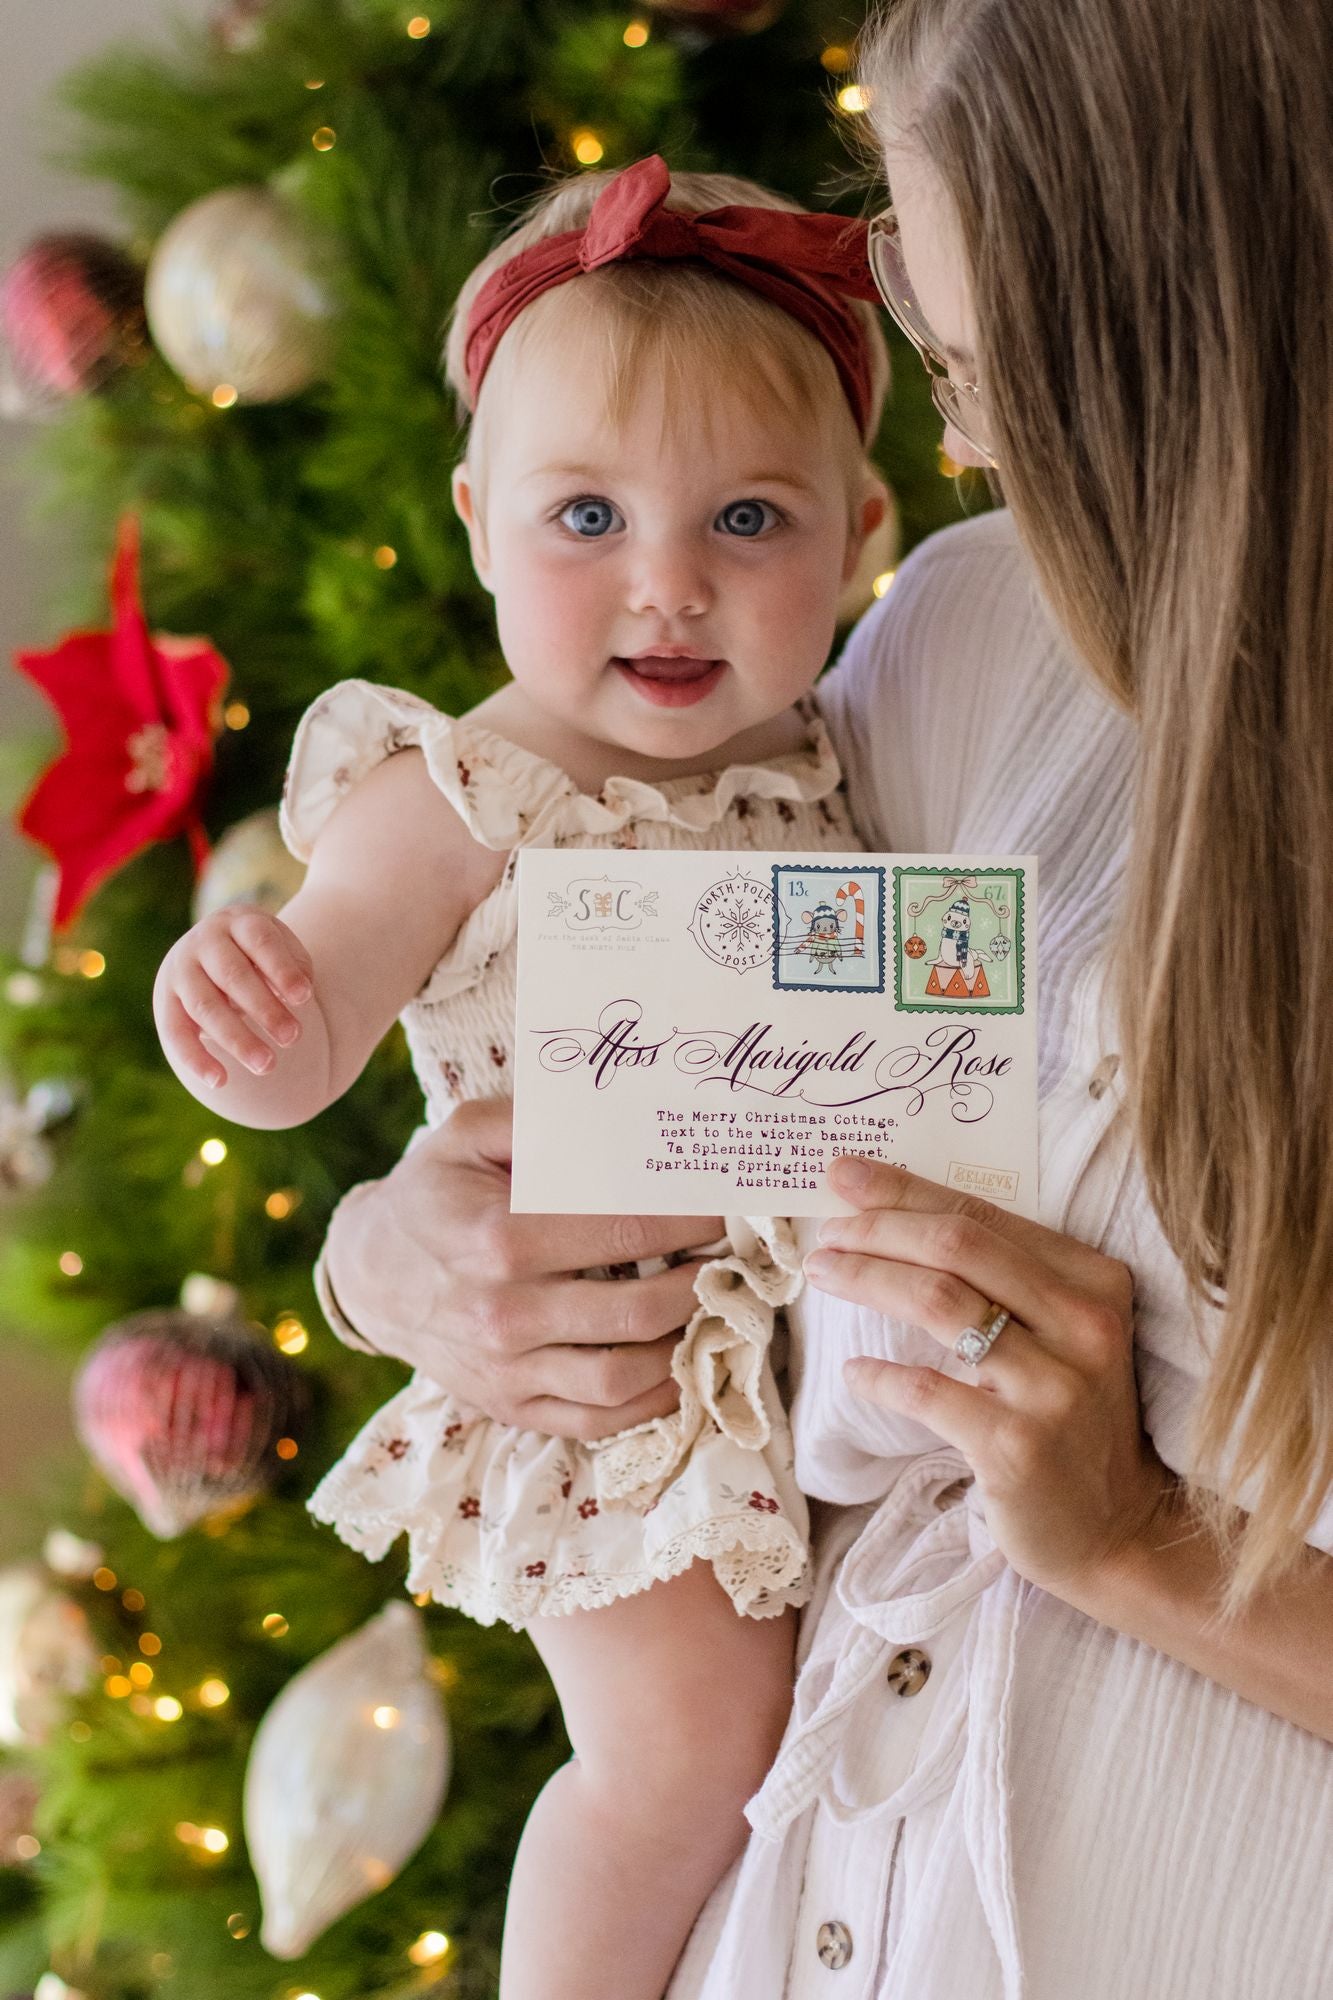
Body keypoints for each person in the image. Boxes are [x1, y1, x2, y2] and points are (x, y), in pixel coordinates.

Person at [313, 0, 1333, 1994]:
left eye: (977, 363)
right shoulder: (971, 631)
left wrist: (1136, 1539)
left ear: (1169, 332)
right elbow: (637, 1016)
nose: (953, 445)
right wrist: (391, 1256)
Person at [152, 157, 894, 2000]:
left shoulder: (835, 754)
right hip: (610, 1368)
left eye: (746, 519)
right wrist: (245, 1012)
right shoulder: (460, 791)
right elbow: (309, 1030)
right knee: (679, 1760)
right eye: (586, 518)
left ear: (858, 534)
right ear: (477, 523)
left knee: (809, 1743)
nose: (667, 586)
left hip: (807, 1328)